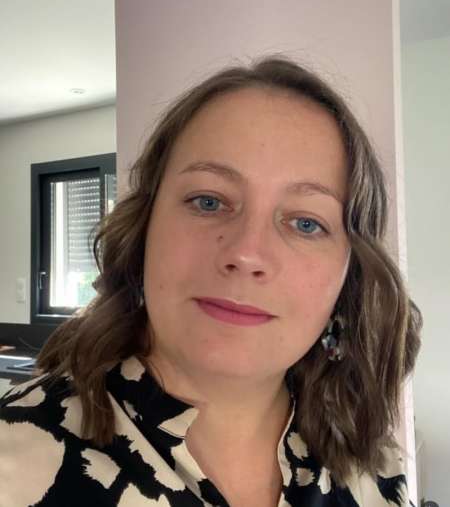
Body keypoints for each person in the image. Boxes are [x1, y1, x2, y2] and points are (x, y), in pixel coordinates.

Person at [0, 55, 421, 507]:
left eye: (305, 223)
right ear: (143, 230)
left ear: (350, 275)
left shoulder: (374, 464)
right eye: (208, 201)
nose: (246, 253)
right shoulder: (14, 460)